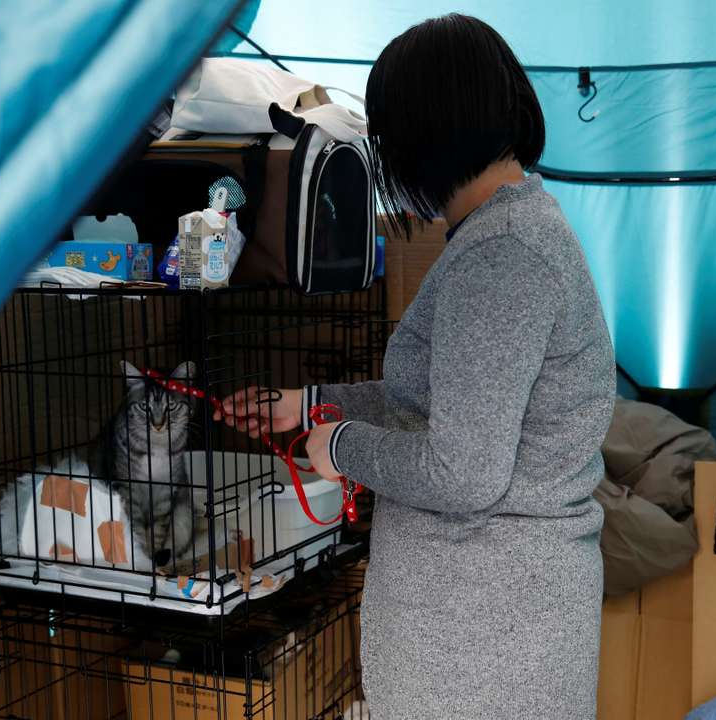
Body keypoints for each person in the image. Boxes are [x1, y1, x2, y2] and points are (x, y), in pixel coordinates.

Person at [216, 14, 615, 719]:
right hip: (487, 622)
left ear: (423, 135)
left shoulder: (503, 256)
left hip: (486, 640)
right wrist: (312, 401)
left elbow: (463, 473)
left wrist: (337, 446)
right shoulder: (502, 233)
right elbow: (439, 398)